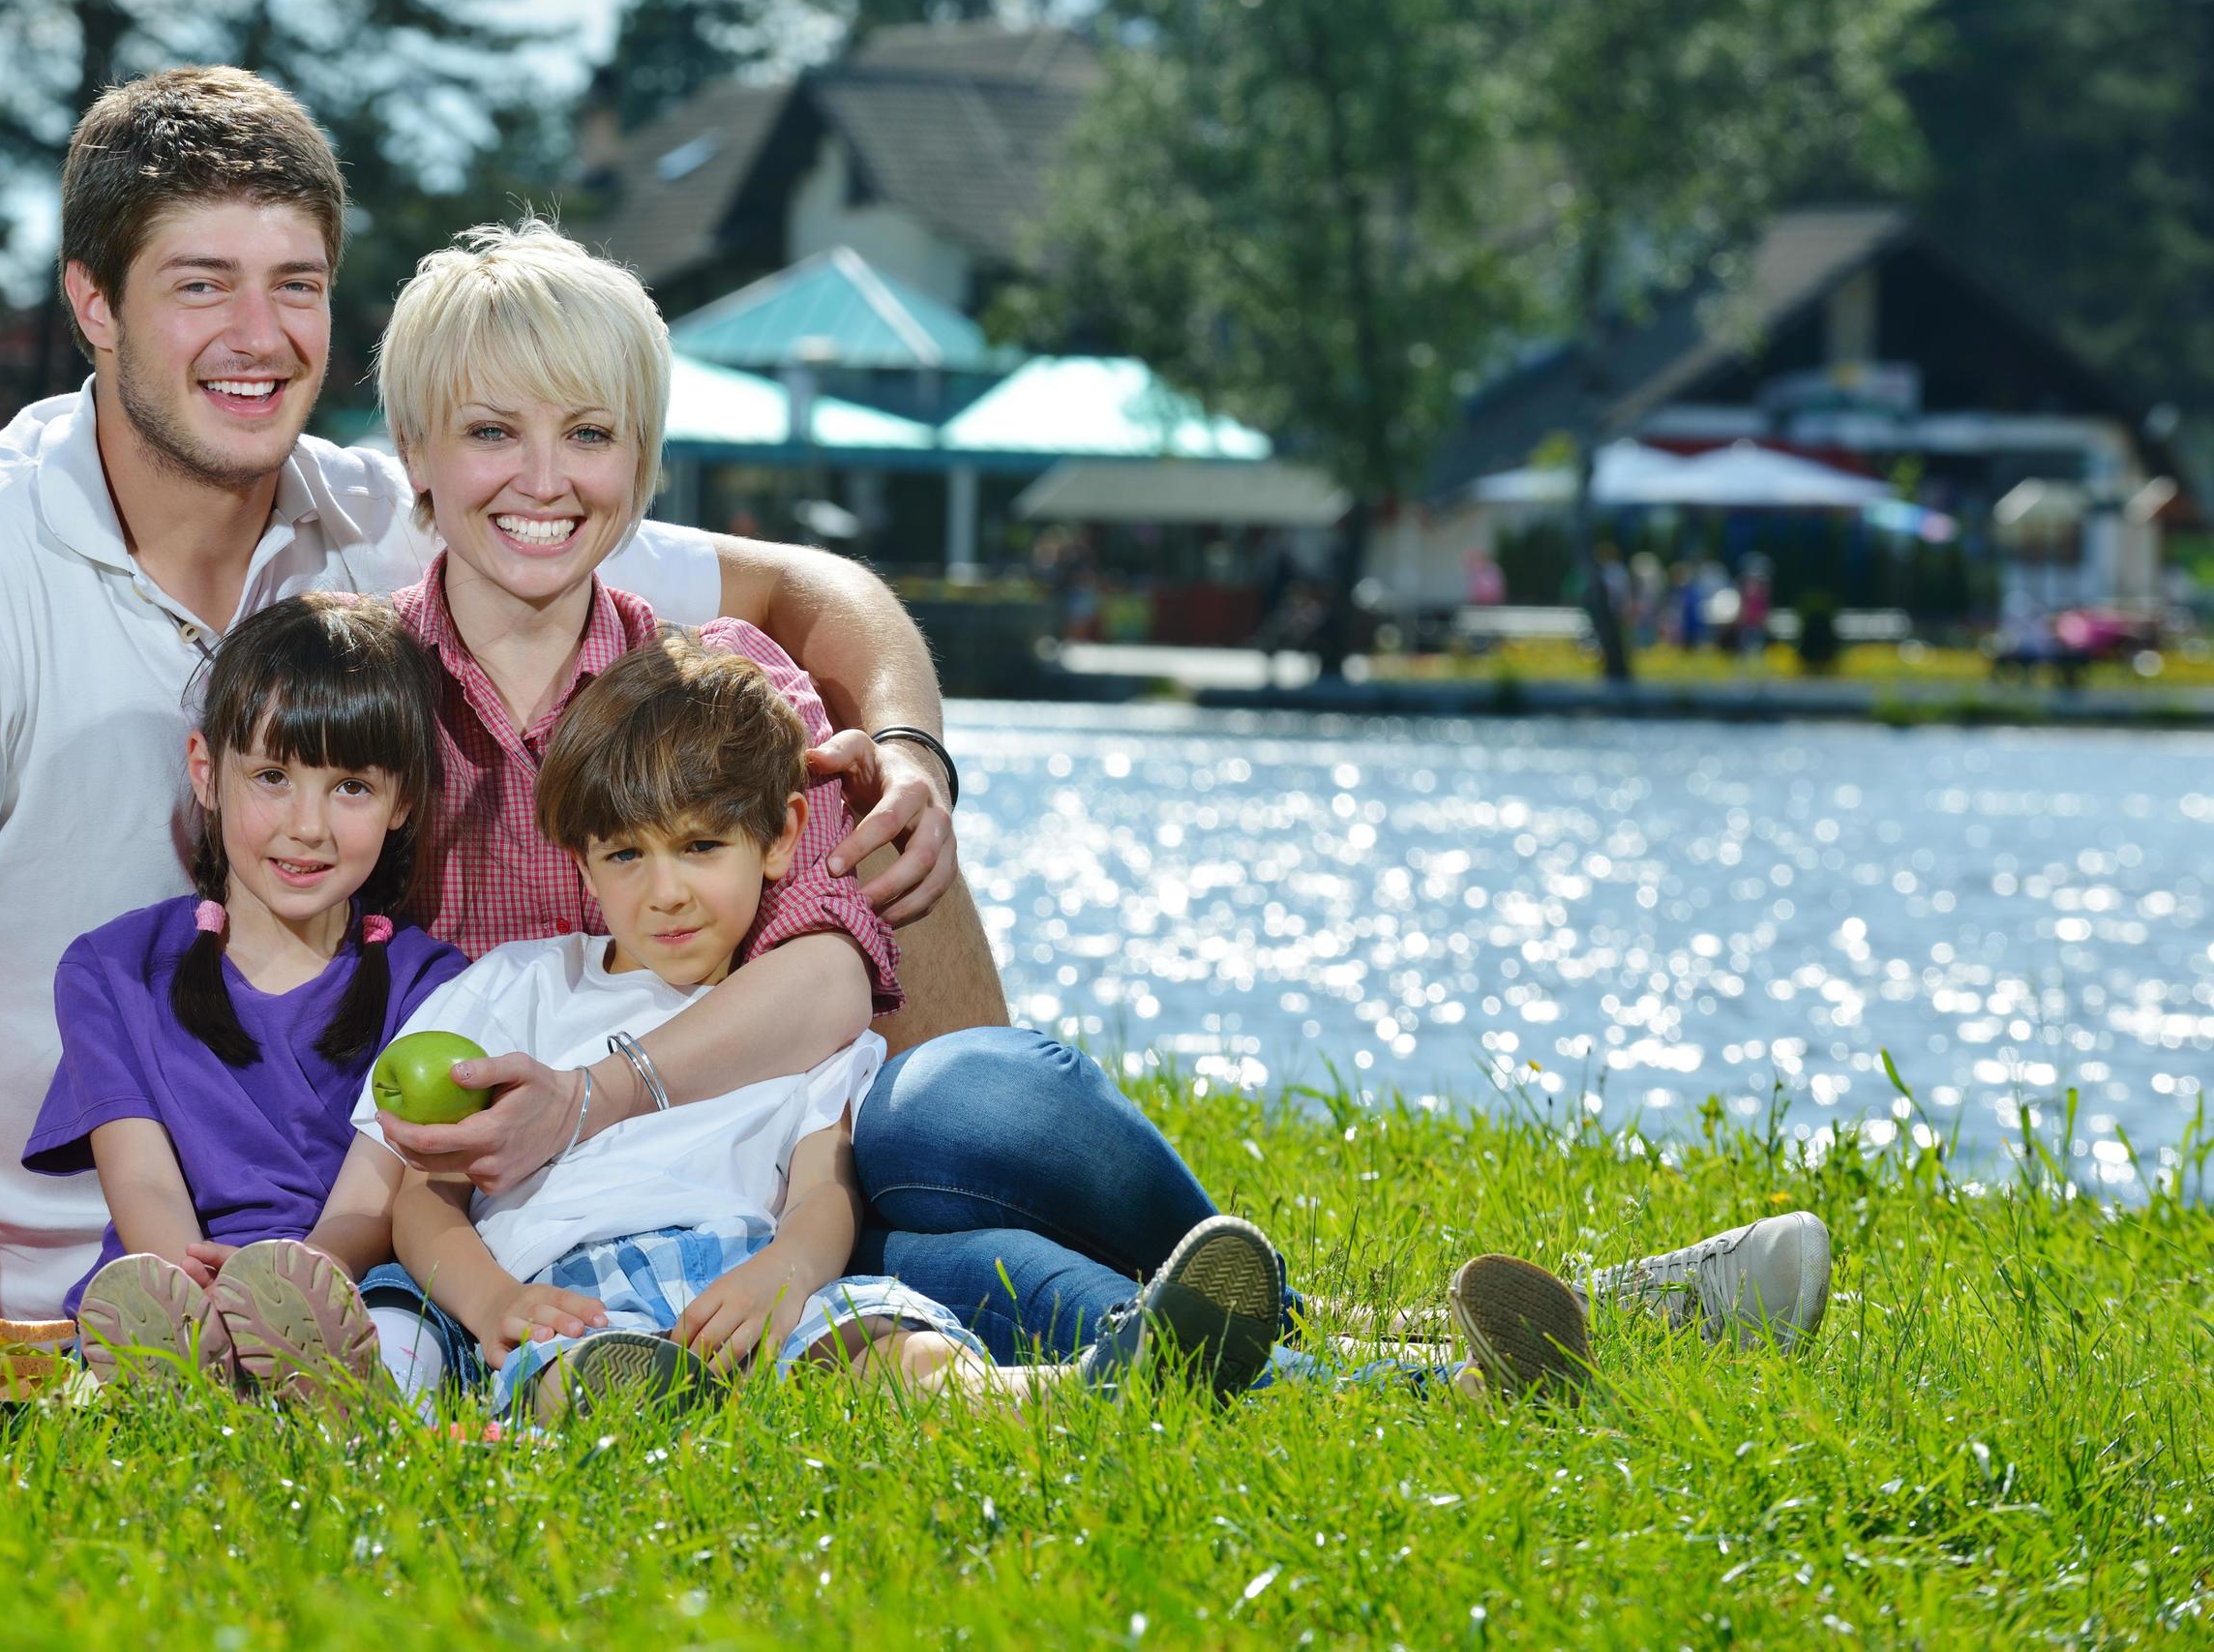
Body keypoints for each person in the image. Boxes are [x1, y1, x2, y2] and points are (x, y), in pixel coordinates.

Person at [351, 219, 1840, 1374]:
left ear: (643, 460)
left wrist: (600, 1094)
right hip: (658, 1243)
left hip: (811, 1160)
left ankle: (1401, 1322)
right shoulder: (365, 708)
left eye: (589, 434)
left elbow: (822, 981)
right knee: (958, 1288)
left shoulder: (718, 680)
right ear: (412, 455)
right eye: (491, 431)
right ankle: (1459, 1346)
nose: (542, 478)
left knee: (948, 1112)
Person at [0, 68, 974, 1322]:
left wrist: (914, 751)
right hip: (64, 1273)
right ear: (94, 305)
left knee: (879, 821)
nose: (258, 336)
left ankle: (969, 1208)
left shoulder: (398, 513)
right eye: (200, 284)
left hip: (378, 1221)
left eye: (297, 286)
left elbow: (807, 590)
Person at [357, 634, 1604, 1422]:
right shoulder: (518, 986)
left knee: (902, 1361)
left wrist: (790, 1270)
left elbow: (822, 1172)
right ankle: (621, 1407)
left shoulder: (785, 1019)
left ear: (784, 840)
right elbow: (422, 1191)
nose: (665, 889)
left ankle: (1095, 1392)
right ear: (576, 862)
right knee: (592, 1374)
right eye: (624, 855)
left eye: (701, 848)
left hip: (756, 1270)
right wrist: (487, 1301)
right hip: (572, 1290)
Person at [19, 595, 462, 1396]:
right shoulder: (111, 971)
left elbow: (373, 1195)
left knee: (397, 1330)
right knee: (146, 1306)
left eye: (351, 787)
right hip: (165, 1285)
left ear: (403, 801)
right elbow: (144, 1182)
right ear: (206, 771)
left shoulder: (433, 987)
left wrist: (299, 1281)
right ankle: (181, 1365)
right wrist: (201, 1294)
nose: (307, 826)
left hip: (348, 1290)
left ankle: (313, 1377)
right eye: (272, 777)